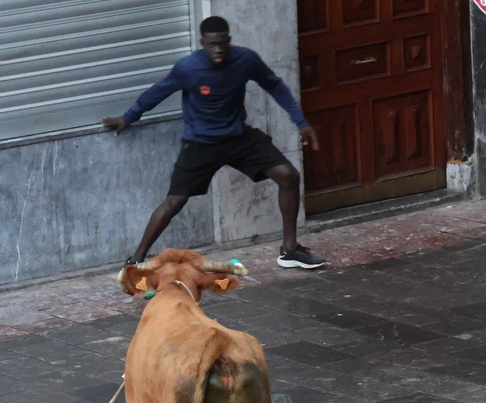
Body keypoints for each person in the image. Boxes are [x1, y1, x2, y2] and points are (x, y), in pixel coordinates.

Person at [101, 16, 327, 270]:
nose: (218, 49)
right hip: (201, 143)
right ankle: (135, 261)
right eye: (212, 44)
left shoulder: (246, 60)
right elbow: (156, 93)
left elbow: (275, 86)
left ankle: (290, 250)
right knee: (174, 201)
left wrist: (301, 121)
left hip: (238, 138)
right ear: (202, 43)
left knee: (288, 175)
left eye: (222, 43)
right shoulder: (188, 68)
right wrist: (127, 118)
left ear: (229, 41)